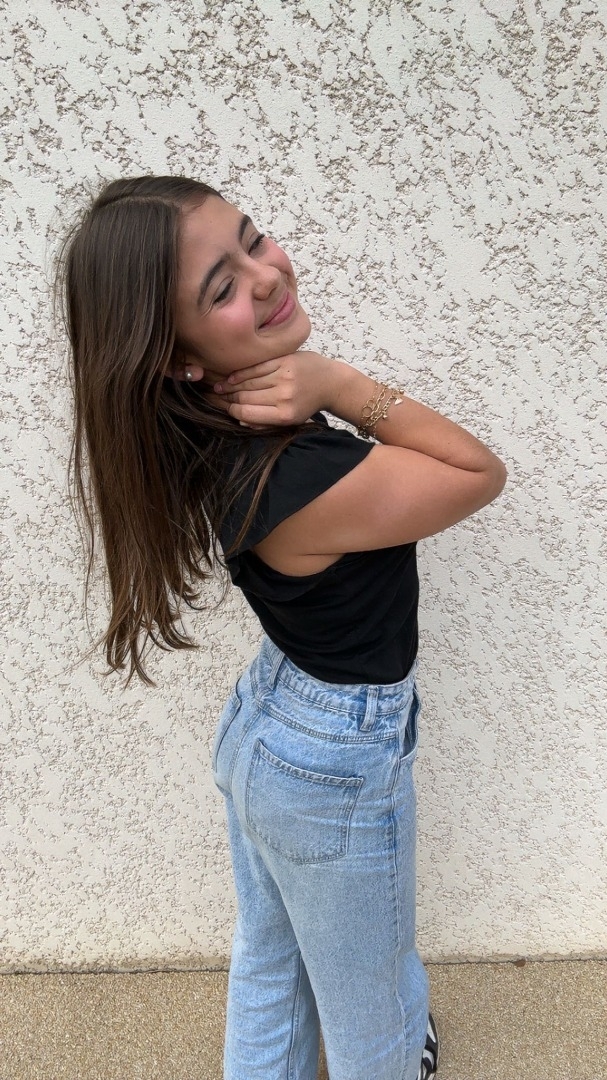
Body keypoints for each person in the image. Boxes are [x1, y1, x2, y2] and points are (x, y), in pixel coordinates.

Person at [59, 175, 507, 1080]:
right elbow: (475, 473)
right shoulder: (298, 475)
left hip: (272, 725)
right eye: (221, 287)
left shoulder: (214, 434)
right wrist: (340, 382)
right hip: (328, 758)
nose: (265, 275)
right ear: (177, 356)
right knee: (373, 1008)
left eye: (252, 238)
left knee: (272, 964)